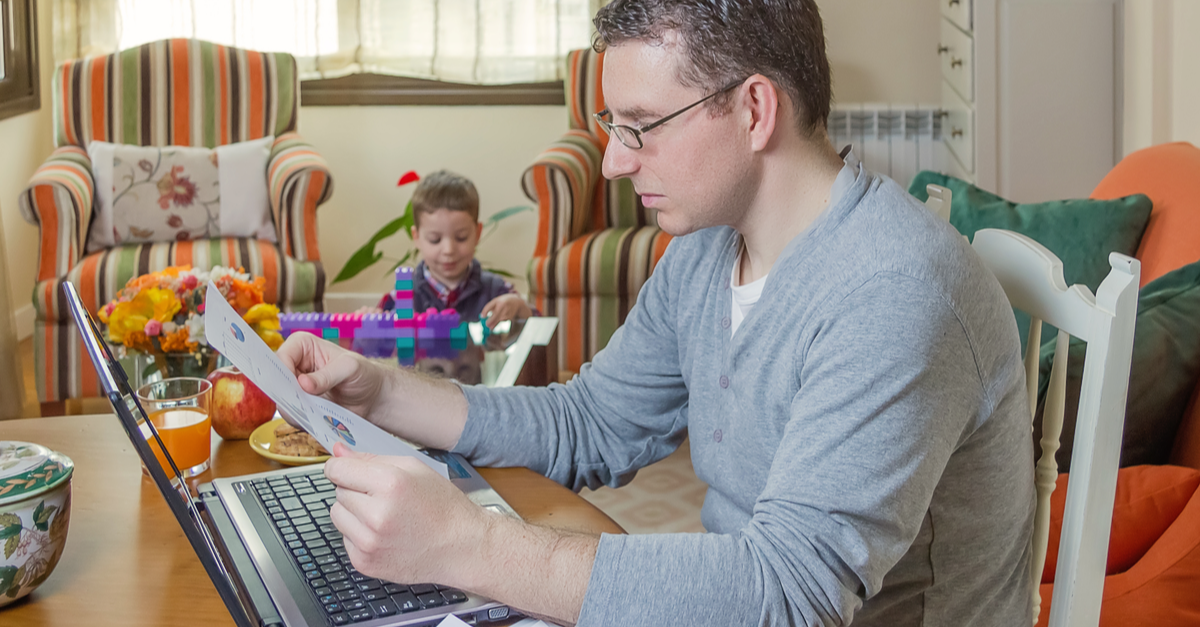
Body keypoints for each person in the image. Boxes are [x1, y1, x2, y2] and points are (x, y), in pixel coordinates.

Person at [279, 1, 1036, 625]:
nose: (613, 159)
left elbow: (788, 593)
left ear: (754, 109)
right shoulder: (708, 250)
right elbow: (592, 421)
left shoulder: (894, 290)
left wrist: (468, 544)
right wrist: (383, 391)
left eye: (639, 125)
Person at [374, 170, 534, 327]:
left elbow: (539, 328)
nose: (449, 250)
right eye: (434, 240)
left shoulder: (496, 289)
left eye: (461, 237)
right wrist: (370, 323)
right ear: (417, 238)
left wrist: (519, 308)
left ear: (477, 234)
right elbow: (377, 345)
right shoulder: (404, 293)